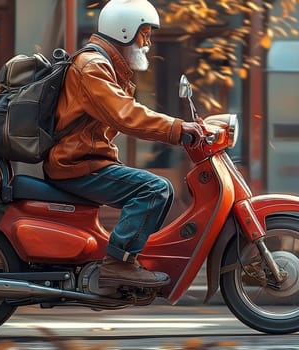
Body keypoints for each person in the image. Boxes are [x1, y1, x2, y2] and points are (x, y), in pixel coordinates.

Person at [44, 0, 205, 289]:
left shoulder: (105, 66)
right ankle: (118, 263)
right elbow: (125, 115)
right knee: (154, 189)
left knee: (157, 190)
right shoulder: (92, 67)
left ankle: (128, 257)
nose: (148, 42)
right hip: (77, 164)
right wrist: (177, 129)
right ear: (124, 31)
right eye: (144, 33)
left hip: (87, 160)